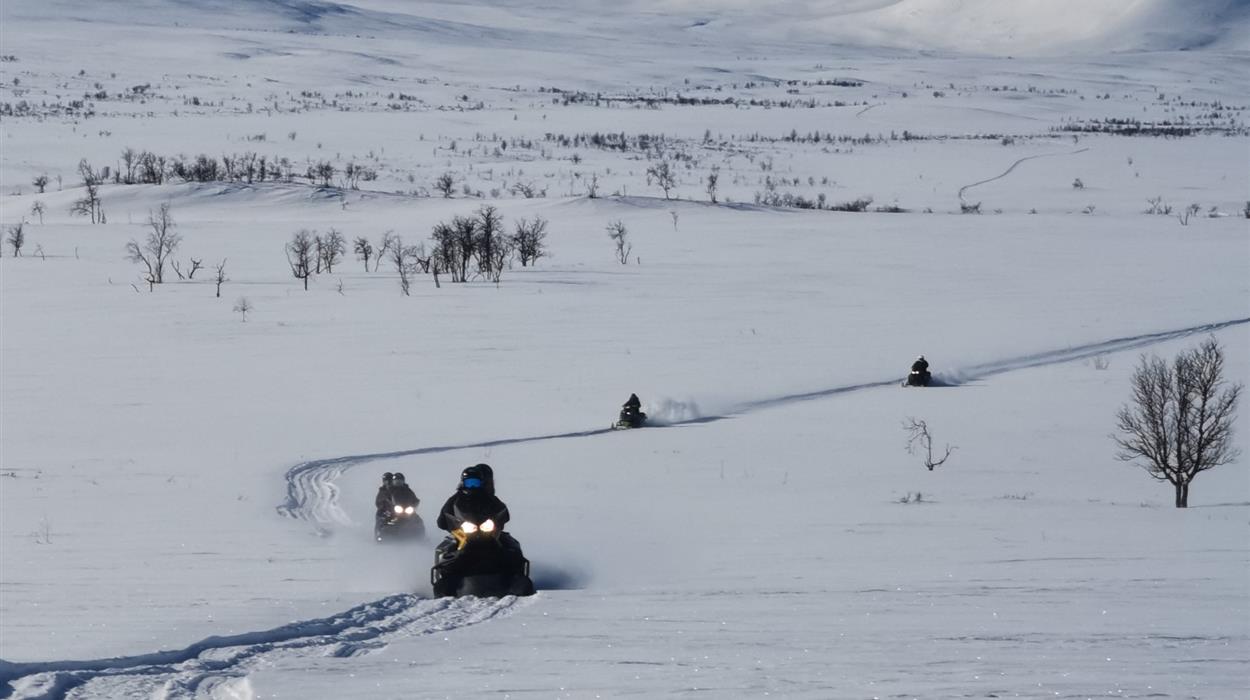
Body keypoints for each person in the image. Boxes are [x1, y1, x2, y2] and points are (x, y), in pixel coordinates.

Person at [435, 464, 523, 567]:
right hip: (464, 534)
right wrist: (452, 523)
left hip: (487, 533)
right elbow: (441, 521)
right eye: (469, 483)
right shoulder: (455, 499)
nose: (472, 486)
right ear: (463, 483)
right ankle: (444, 575)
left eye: (475, 483)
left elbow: (503, 511)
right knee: (448, 549)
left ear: (481, 483)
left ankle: (515, 572)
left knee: (510, 546)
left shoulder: (489, 498)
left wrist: (498, 519)